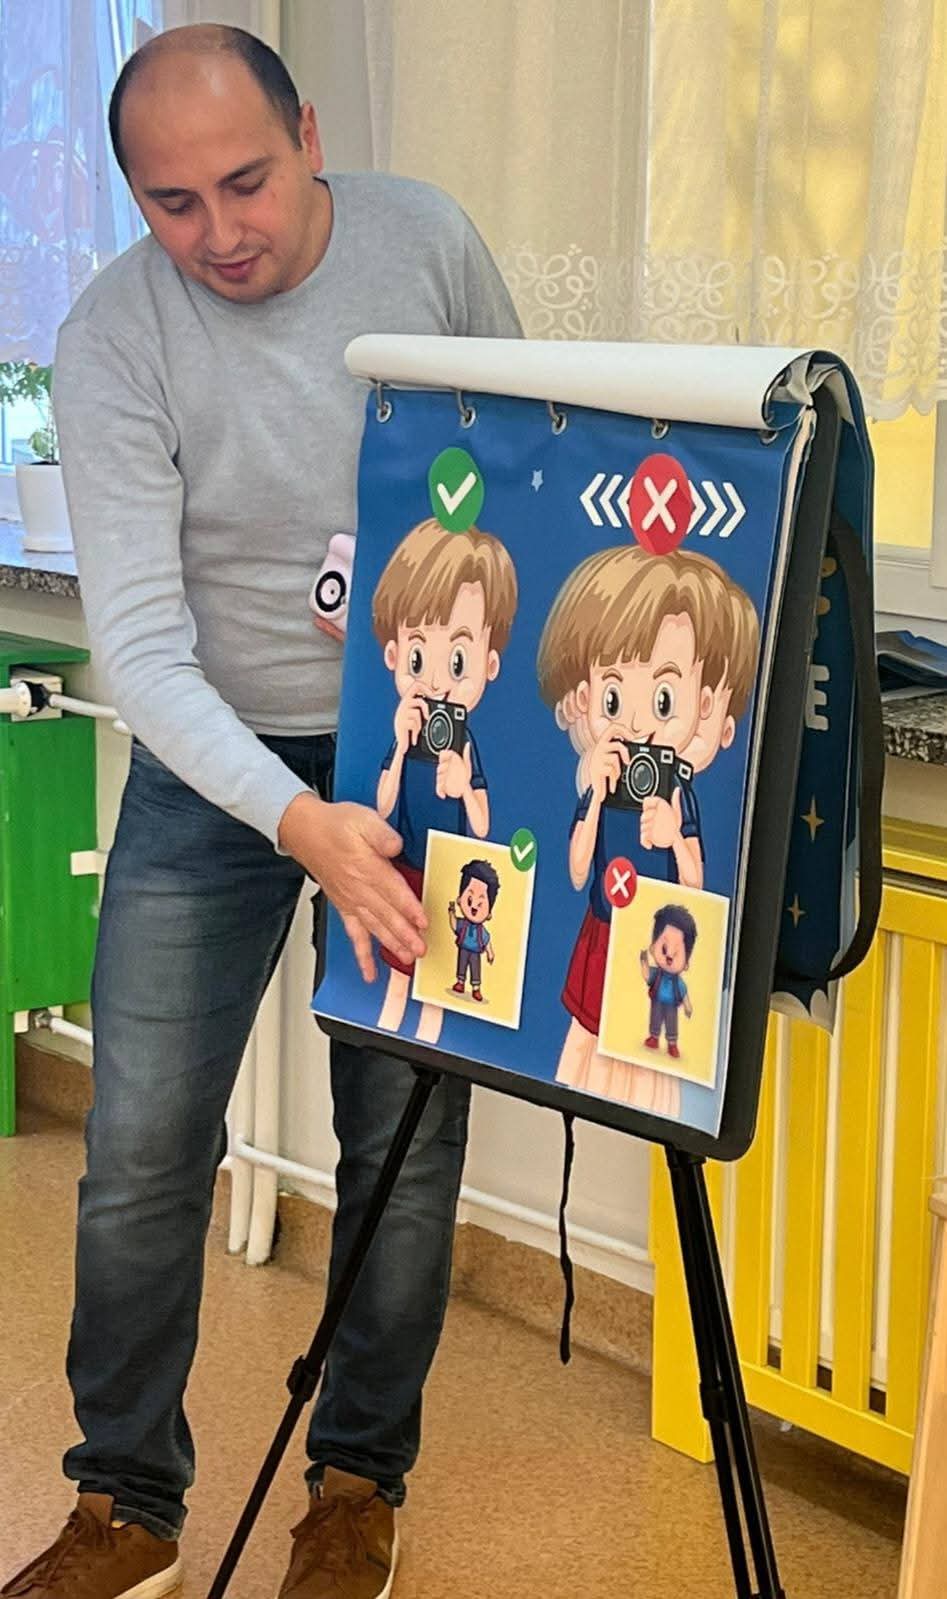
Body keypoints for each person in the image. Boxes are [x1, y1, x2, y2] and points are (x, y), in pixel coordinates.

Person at [1, 23, 520, 1599]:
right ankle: (125, 1503)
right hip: (210, 759)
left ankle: (358, 1483)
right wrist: (296, 819)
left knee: (399, 1146)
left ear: (305, 134)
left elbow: (522, 463)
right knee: (141, 1144)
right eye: (172, 203)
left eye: (245, 180)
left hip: (416, 752)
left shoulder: (425, 243)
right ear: (132, 201)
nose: (219, 232)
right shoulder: (112, 338)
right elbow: (141, 648)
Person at [536, 544, 759, 1112]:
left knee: (650, 1075)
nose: (636, 721)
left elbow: (695, 883)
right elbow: (577, 869)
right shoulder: (604, 779)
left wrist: (674, 838)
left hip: (659, 945)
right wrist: (593, 799)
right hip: (602, 933)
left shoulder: (676, 789)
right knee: (581, 1054)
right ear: (586, 697)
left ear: (705, 706)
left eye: (662, 698)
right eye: (614, 695)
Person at [372, 519, 517, 1040]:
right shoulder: (407, 732)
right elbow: (382, 807)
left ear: (488, 663)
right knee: (396, 981)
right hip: (405, 870)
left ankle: (428, 1039)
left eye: (457, 660)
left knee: (436, 987)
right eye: (418, 656)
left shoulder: (464, 743)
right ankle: (389, 1026)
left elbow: (483, 824)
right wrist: (400, 746)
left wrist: (463, 786)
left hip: (449, 878)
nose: (435, 680)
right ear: (394, 656)